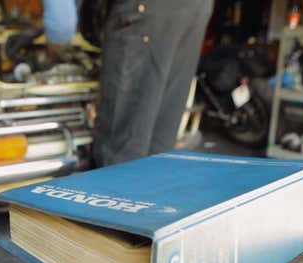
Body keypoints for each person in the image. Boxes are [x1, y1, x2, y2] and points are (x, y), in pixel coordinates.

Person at [41, 0, 213, 166]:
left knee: (123, 145)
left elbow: (60, 26)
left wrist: (54, 43)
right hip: (194, 8)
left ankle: (114, 192)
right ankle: (146, 192)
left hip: (147, 11)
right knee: (160, 140)